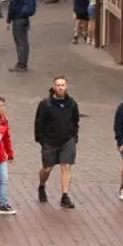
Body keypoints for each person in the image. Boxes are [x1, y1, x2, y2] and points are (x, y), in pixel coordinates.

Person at [32, 76, 80, 208]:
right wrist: (41, 140)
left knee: (66, 166)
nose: (60, 87)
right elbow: (39, 123)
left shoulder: (72, 103)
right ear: (54, 87)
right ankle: (41, 185)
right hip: (50, 141)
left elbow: (75, 121)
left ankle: (65, 196)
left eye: (62, 85)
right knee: (47, 169)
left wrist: (74, 137)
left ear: (66, 86)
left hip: (67, 140)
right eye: (58, 85)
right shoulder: (45, 104)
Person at [1, 0, 36, 72]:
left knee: (20, 41)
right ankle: (22, 63)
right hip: (24, 18)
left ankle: (21, 64)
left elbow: (12, 6)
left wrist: (8, 20)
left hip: (18, 17)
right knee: (23, 41)